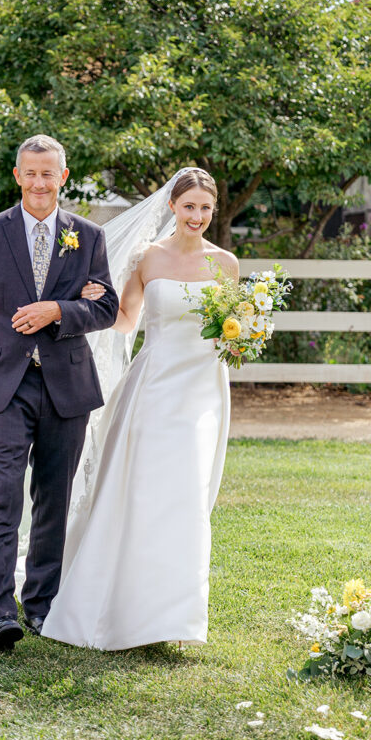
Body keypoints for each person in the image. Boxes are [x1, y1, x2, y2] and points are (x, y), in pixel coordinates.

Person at [42, 167, 235, 650]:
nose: (197, 216)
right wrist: (92, 300)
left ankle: (174, 617)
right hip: (154, 387)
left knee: (188, 491)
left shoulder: (226, 264)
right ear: (173, 206)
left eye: (205, 209)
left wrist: (245, 337)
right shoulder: (147, 257)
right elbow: (126, 322)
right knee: (144, 489)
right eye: (189, 206)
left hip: (205, 390)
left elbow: (233, 329)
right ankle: (122, 608)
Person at [0, 134, 119, 651]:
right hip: (3, 385)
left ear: (63, 177)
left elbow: (107, 307)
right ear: (17, 175)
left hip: (67, 386)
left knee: (54, 499)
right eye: (31, 172)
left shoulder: (87, 236)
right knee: (1, 497)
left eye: (49, 173)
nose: (40, 182)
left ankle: (41, 606)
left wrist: (60, 310)